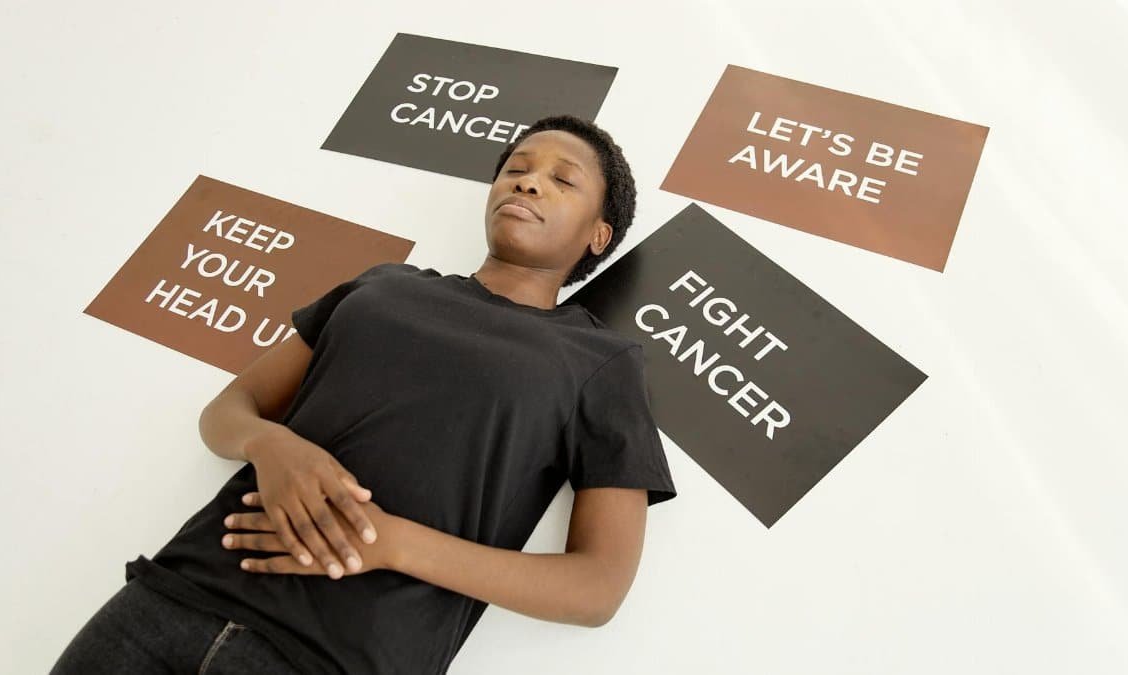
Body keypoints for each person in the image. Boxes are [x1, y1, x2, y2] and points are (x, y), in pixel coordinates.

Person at [50, 114, 678, 675]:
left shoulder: (601, 362)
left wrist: (393, 542)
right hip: (171, 600)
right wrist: (272, 445)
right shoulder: (384, 286)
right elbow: (226, 413)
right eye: (516, 169)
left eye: (562, 180)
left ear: (599, 235)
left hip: (342, 657)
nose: (527, 182)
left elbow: (597, 589)